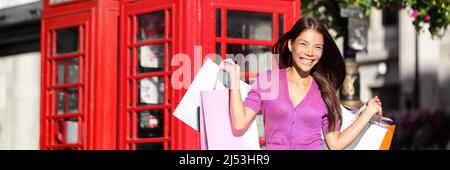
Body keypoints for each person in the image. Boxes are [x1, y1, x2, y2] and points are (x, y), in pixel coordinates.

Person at [219, 17, 383, 150]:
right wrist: (234, 78)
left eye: (317, 47)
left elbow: (335, 143)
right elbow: (239, 123)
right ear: (291, 45)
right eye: (303, 44)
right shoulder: (269, 80)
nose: (310, 53)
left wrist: (368, 112)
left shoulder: (325, 91)